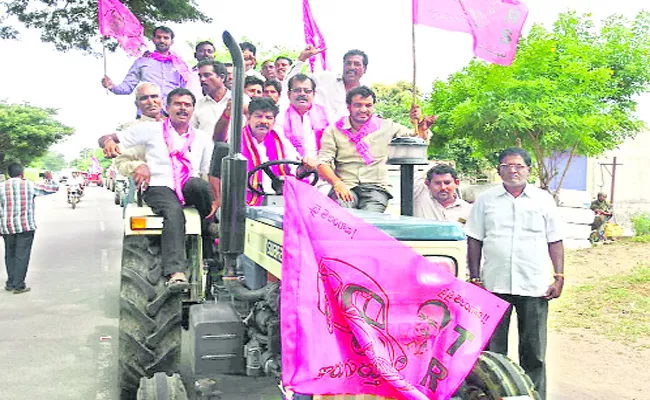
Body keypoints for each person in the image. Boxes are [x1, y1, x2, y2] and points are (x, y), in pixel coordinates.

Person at [464, 147, 565, 400]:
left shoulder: (543, 200)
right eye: (507, 165)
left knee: (534, 351)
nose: (513, 170)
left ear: (528, 170)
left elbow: (555, 240)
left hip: (534, 284)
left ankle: (533, 397)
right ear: (499, 170)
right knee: (493, 351)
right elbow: (474, 239)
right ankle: (493, 396)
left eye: (518, 166)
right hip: (493, 285)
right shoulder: (486, 200)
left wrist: (559, 276)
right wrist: (475, 278)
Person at [99, 88, 215, 289]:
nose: (182, 108)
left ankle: (207, 240)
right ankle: (176, 272)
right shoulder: (150, 130)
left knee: (200, 186)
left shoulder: (202, 138)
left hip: (188, 184)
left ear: (193, 110)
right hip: (159, 185)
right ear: (167, 108)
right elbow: (108, 138)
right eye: (177, 104)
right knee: (173, 211)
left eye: (187, 105)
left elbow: (207, 172)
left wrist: (216, 200)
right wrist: (108, 142)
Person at [315, 86, 435, 212]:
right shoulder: (334, 130)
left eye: (368, 105)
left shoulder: (386, 126)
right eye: (358, 105)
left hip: (376, 188)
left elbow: (414, 141)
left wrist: (421, 129)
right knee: (343, 216)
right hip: (346, 186)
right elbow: (323, 162)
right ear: (348, 107)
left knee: (370, 221)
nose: (363, 109)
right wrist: (337, 183)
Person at [101, 26, 189, 113]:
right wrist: (112, 86)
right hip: (147, 113)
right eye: (158, 37)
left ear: (171, 42)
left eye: (166, 38)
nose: (162, 40)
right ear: (154, 40)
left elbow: (184, 91)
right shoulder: (142, 62)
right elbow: (128, 87)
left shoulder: (180, 65)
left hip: (171, 114)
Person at [1, 163, 59, 293]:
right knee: (22, 255)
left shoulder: (1, 187)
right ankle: (18, 285)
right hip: (25, 226)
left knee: (9, 254)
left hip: (7, 227)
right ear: (22, 174)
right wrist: (49, 178)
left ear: (8, 174)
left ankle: (10, 283)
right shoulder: (29, 185)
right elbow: (53, 188)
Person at [288, 46, 367, 123]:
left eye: (357, 64)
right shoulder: (324, 78)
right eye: (348, 63)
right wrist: (302, 59)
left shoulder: (365, 96)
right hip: (311, 133)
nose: (351, 67)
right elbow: (290, 84)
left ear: (365, 69)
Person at [241, 97, 291, 206]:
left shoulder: (280, 139)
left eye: (268, 117)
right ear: (248, 118)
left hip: (279, 200)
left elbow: (294, 167)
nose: (263, 121)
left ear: (274, 121)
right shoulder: (236, 139)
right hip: (246, 200)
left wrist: (306, 166)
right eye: (258, 116)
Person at [114, 82, 164, 182]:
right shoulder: (132, 128)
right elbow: (121, 163)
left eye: (154, 96)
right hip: (150, 187)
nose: (150, 101)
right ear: (137, 104)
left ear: (161, 100)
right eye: (144, 98)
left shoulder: (174, 125)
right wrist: (138, 166)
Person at [282, 74, 328, 165]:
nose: (302, 94)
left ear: (313, 94)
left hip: (322, 168)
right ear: (288, 94)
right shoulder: (279, 117)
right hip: (289, 167)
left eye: (307, 91)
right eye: (297, 90)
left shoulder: (327, 114)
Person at [191, 60, 230, 132]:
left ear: (222, 77)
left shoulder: (239, 101)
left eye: (207, 75)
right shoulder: (198, 105)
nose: (202, 79)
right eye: (200, 76)